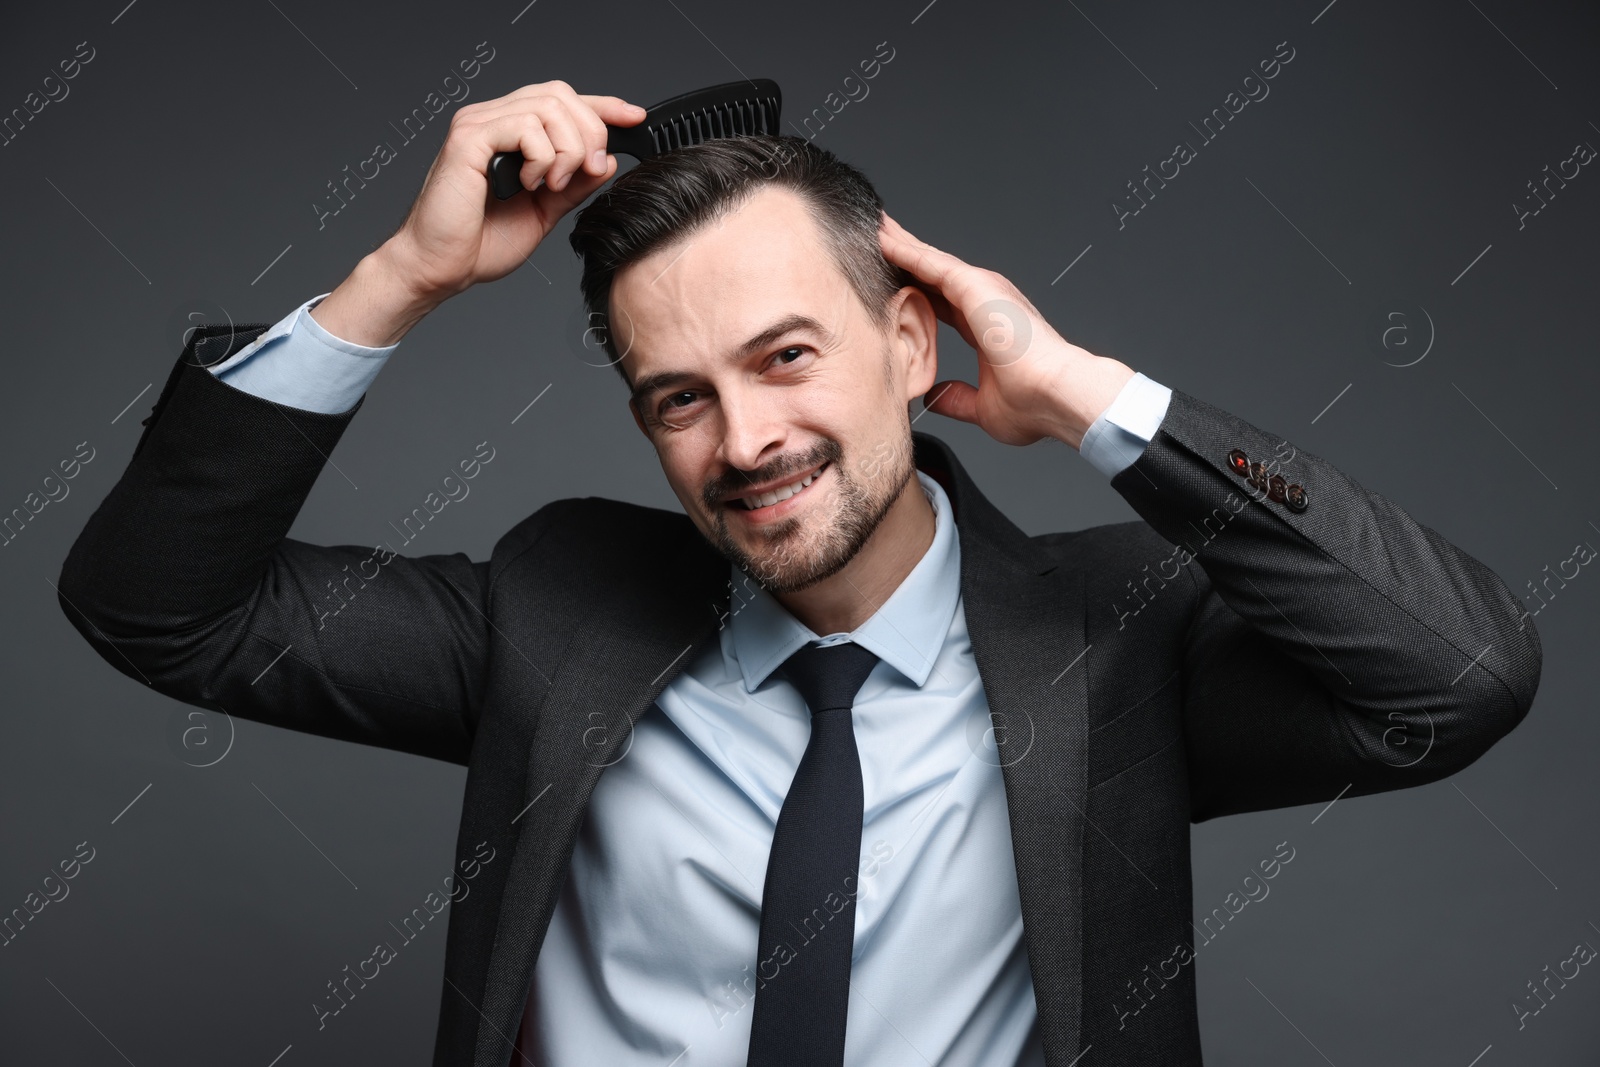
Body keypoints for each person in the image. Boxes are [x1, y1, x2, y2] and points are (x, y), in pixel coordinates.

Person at [57, 81, 1542, 1067]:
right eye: (679, 396)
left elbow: (1458, 672)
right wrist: (402, 279)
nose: (747, 439)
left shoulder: (1114, 645)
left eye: (786, 359)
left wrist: (1093, 399)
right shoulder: (555, 611)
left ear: (909, 344)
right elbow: (160, 609)